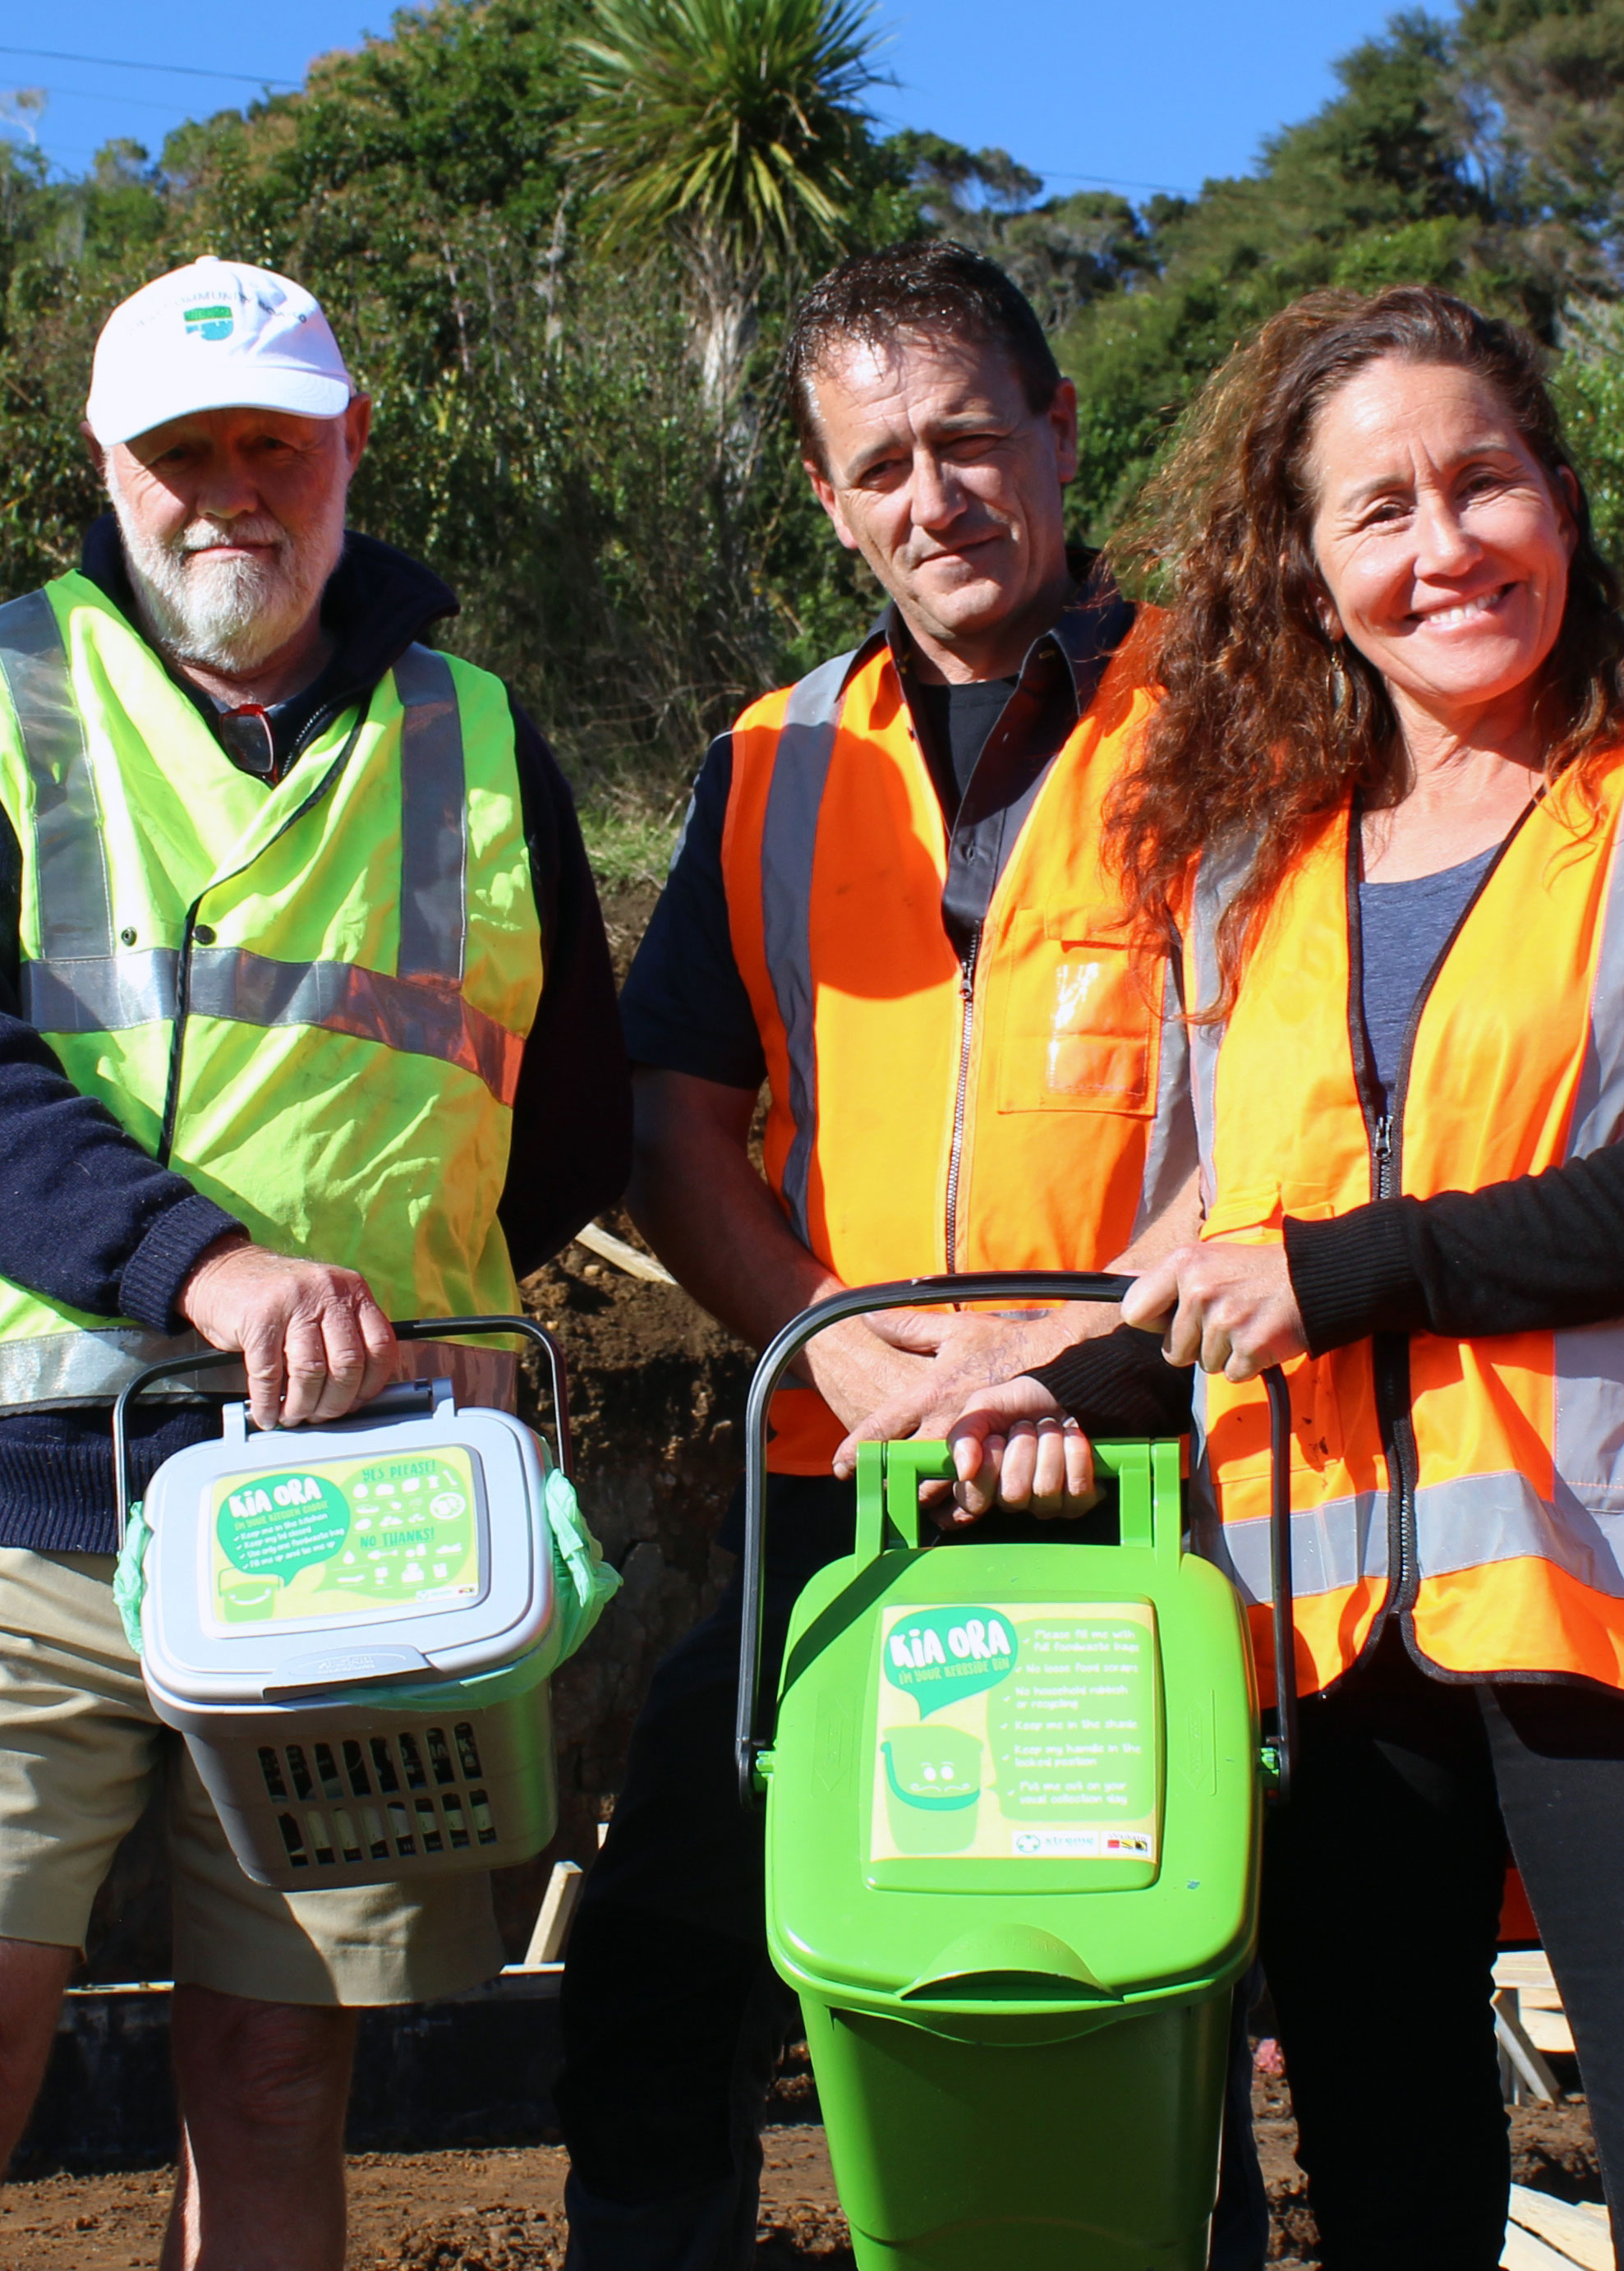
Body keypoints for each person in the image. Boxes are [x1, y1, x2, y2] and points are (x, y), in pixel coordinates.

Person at [950, 283, 1624, 2269]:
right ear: (1305, 567)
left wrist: (1344, 1270)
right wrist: (1053, 1387)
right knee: (1387, 2205)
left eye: (1482, 484)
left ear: (1562, 499)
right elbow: (1233, 1256)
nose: (1441, 544)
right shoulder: (1247, 868)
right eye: (1377, 510)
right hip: (1329, 1632)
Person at [0, 255, 626, 2271]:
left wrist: (408, 1318)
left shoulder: (481, 734)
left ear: (349, 450)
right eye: (185, 451)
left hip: (357, 1521)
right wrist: (218, 1271)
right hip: (29, 1515)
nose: (228, 492)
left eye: (274, 443)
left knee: (274, 2076)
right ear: (111, 464)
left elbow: (571, 1116)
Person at [551, 239, 1208, 2271]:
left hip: (1155, 1469)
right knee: (674, 1887)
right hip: (842, 1469)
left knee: (1153, 1937)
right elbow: (676, 1118)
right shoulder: (769, 760)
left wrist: (1058, 1370)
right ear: (829, 499)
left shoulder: (1234, 715)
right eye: (880, 464)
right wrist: (839, 1356)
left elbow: (1299, 1100)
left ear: (1059, 433)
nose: (934, 497)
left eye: (969, 438)